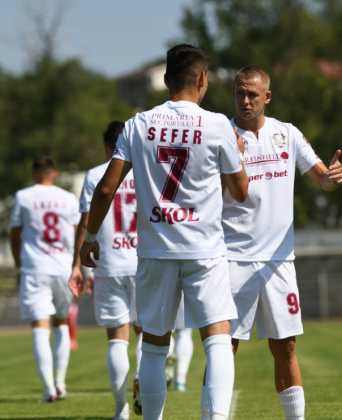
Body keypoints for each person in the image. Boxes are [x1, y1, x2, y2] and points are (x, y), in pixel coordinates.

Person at [79, 43, 249, 420]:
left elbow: (106, 187)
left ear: (167, 79)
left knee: (154, 347)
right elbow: (240, 191)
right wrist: (234, 153)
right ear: (203, 79)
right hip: (204, 249)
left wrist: (90, 239)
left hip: (155, 248)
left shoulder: (138, 123)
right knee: (218, 340)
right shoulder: (219, 124)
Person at [221, 65, 342, 420]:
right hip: (233, 259)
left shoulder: (287, 134)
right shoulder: (221, 135)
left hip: (278, 263)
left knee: (286, 347)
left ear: (267, 97)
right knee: (223, 348)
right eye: (239, 93)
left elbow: (323, 179)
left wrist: (333, 178)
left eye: (252, 95)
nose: (245, 101)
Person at [69, 120, 142, 420]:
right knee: (147, 334)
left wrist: (77, 265)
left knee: (116, 337)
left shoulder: (94, 174)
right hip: (143, 261)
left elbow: (86, 222)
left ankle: (120, 409)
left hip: (107, 262)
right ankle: (142, 378)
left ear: (105, 147)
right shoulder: (145, 169)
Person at [9, 155, 80, 403]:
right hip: (63, 268)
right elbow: (76, 234)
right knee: (61, 323)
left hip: (35, 269)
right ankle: (60, 383)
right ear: (55, 174)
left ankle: (48, 388)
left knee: (40, 327)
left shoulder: (23, 196)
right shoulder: (68, 198)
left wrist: (19, 267)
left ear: (33, 174)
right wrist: (79, 268)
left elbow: (15, 234)